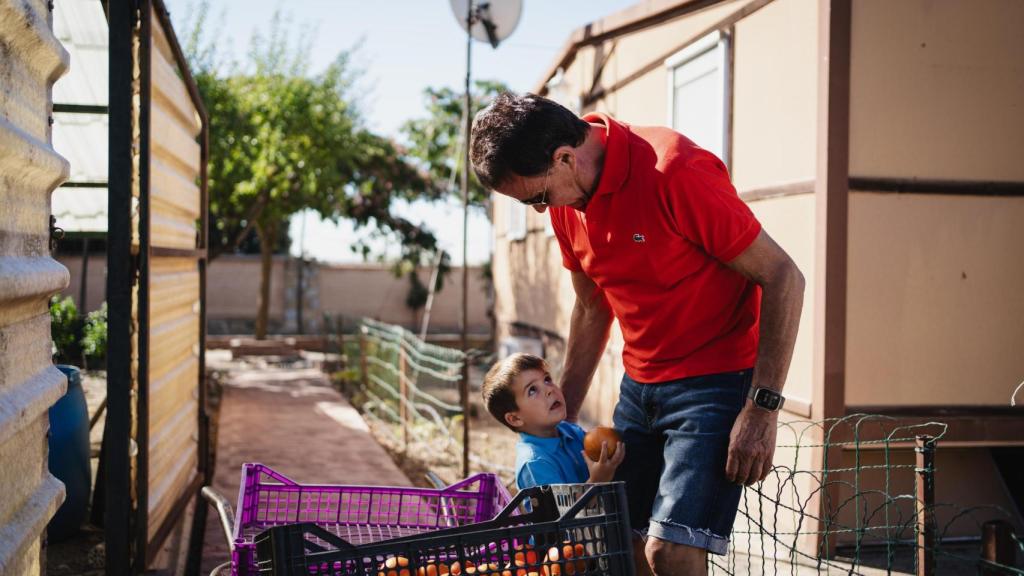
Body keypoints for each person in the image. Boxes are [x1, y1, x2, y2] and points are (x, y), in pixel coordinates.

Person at [470, 93, 805, 576]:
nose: (542, 213)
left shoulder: (676, 171)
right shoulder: (568, 202)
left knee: (668, 553)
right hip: (638, 385)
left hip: (714, 381)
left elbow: (783, 276)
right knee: (617, 542)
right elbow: (591, 306)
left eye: (538, 198)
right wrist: (554, 422)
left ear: (565, 157)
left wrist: (762, 408)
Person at [481, 353, 625, 490]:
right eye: (532, 390)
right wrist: (597, 482)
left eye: (547, 379)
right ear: (515, 418)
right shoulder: (534, 463)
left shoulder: (571, 432)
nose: (549, 389)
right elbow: (562, 515)